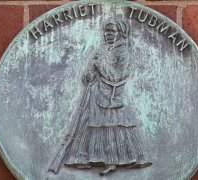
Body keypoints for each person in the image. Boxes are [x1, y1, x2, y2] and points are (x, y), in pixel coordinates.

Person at [49, 17, 152, 176]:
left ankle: (115, 161)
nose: (108, 34)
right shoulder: (100, 50)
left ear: (121, 33)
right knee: (89, 126)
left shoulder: (124, 53)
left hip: (112, 97)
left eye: (112, 31)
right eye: (106, 31)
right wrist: (88, 76)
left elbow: (118, 76)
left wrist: (101, 64)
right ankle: (83, 158)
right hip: (94, 94)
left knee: (113, 129)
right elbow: (90, 71)